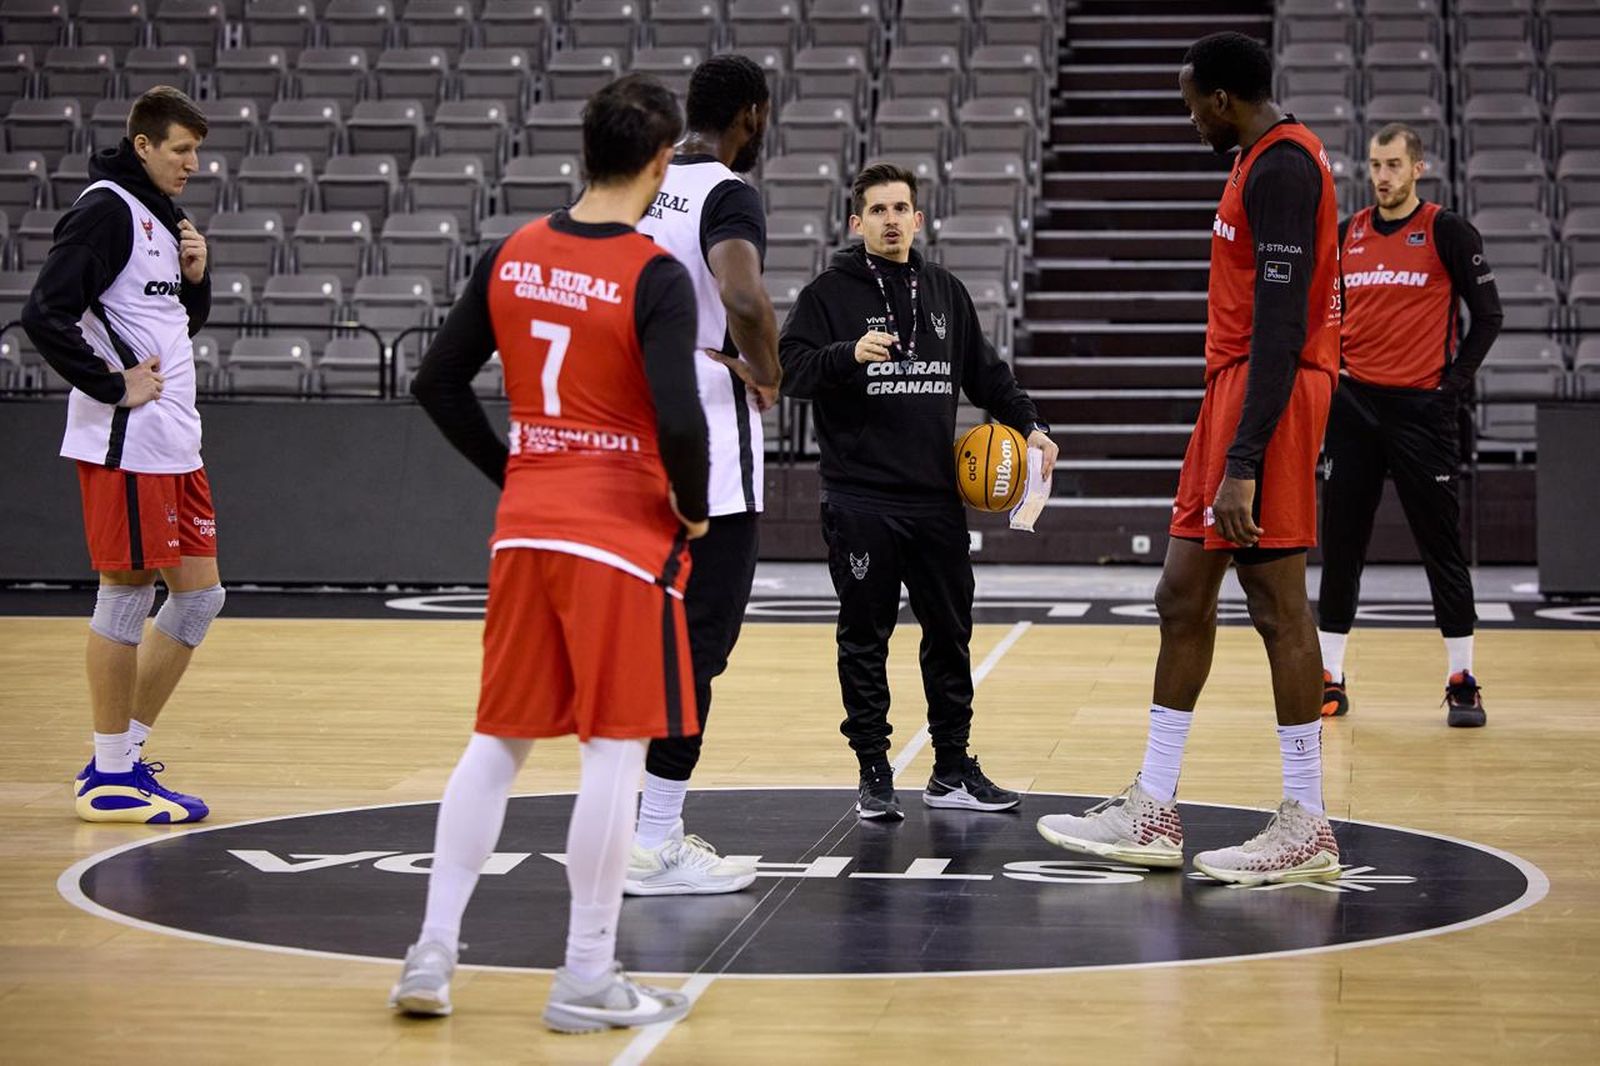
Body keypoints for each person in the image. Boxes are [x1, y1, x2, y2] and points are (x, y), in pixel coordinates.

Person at [390, 74, 709, 1032]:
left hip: (528, 528)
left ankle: (432, 954)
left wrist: (516, 472)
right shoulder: (652, 272)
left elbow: (437, 382)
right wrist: (692, 510)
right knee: (613, 755)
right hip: (617, 536)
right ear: (660, 163)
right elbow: (681, 417)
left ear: (584, 148)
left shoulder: (512, 253)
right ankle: (584, 973)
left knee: (497, 744)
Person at [1037, 33, 1345, 885]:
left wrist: (1245, 457)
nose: (1187, 120)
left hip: (1267, 396)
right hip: (1236, 393)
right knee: (1182, 593)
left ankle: (1306, 821)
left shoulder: (1285, 168)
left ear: (1221, 100)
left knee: (1279, 604)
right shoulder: (1256, 157)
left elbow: (1284, 324)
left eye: (1188, 105)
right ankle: (1155, 807)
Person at [779, 161, 1059, 822]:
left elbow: (986, 375)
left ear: (918, 217)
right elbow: (789, 369)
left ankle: (952, 769)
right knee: (864, 638)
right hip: (861, 499)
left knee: (950, 635)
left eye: (902, 207)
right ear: (857, 221)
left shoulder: (944, 290)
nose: (892, 219)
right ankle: (873, 770)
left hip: (935, 499)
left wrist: (1032, 425)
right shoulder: (828, 295)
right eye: (878, 210)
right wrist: (846, 355)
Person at [22, 86, 219, 824]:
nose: (192, 163)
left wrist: (198, 282)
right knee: (128, 592)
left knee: (199, 597)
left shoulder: (162, 218)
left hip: (174, 439)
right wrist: (110, 383)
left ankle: (122, 758)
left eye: (197, 150)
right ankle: (109, 776)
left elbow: (165, 322)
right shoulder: (106, 206)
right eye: (180, 149)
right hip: (127, 441)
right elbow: (45, 311)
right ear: (143, 145)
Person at [628, 54, 778, 895]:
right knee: (698, 650)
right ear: (751, 115)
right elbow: (746, 298)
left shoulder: (642, 186)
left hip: (626, 426)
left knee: (642, 647)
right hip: (709, 449)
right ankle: (654, 840)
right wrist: (768, 371)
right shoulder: (728, 190)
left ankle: (633, 828)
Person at [1317, 123, 1503, 727]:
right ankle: (1330, 676)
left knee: (1439, 545)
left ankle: (1462, 678)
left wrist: (1452, 384)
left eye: (1394, 164)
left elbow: (1489, 316)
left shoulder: (1446, 230)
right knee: (1342, 542)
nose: (1382, 176)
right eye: (1374, 165)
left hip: (1424, 410)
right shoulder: (1349, 235)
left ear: (1417, 168)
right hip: (1355, 409)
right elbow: (1326, 317)